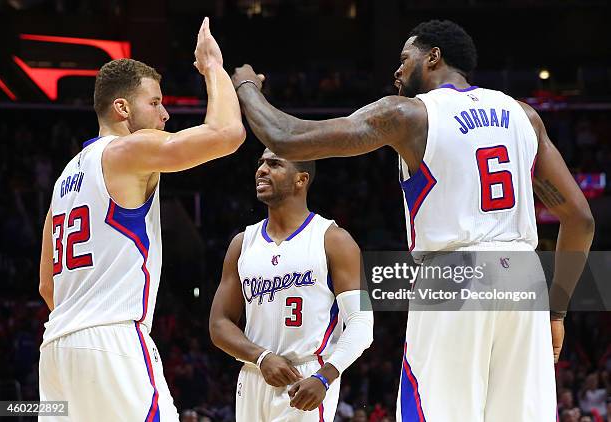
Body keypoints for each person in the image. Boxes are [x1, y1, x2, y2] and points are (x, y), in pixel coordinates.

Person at [231, 19, 595, 422]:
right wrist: (557, 313)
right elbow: (579, 219)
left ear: (433, 57)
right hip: (524, 279)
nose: (397, 71)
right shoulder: (525, 116)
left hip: (454, 275)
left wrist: (245, 86)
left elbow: (285, 136)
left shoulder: (409, 114)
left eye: (405, 59)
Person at [38, 18, 245, 421]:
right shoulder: (126, 151)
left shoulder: (64, 179)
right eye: (155, 103)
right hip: (113, 338)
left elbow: (48, 285)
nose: (165, 114)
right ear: (122, 108)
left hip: (58, 350)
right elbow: (227, 134)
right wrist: (213, 68)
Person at [209, 149, 374, 421]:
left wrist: (325, 377)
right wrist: (261, 357)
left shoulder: (335, 240)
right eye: (260, 162)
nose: (261, 169)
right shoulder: (242, 243)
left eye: (274, 164)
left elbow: (362, 322)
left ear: (301, 179)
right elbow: (219, 325)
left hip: (306, 378)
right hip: (253, 373)